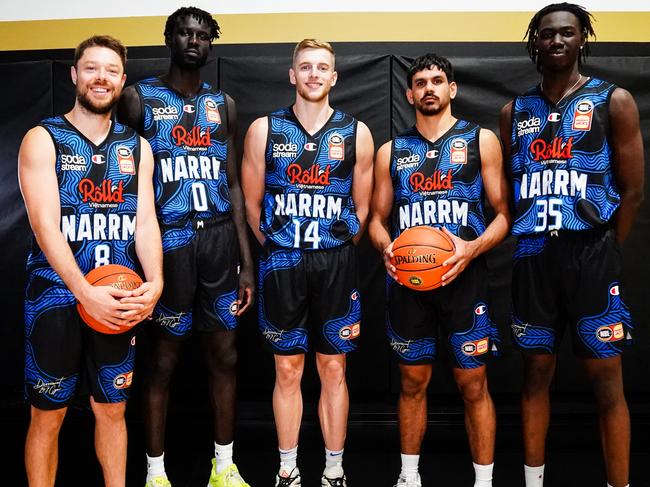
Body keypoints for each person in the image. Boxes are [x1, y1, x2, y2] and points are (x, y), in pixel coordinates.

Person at [499, 4, 644, 487]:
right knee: (535, 375)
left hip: (591, 255)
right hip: (533, 257)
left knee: (607, 382)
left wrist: (603, 245)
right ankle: (534, 481)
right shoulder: (514, 112)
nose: (557, 40)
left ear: (583, 39)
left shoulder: (612, 100)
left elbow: (632, 190)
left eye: (567, 33)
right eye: (547, 34)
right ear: (534, 42)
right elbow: (509, 185)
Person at [117, 7, 254, 487]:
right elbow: (125, 182)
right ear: (169, 38)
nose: (193, 40)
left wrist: (245, 263)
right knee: (161, 359)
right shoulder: (139, 99)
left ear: (211, 44)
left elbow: (233, 184)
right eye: (184, 32)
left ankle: (224, 465)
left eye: (202, 34)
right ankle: (155, 471)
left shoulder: (225, 104)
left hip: (217, 238)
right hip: (167, 239)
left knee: (226, 355)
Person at [19, 35, 163, 487]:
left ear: (122, 80)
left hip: (117, 296)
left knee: (113, 408)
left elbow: (145, 223)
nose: (101, 77)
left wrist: (156, 281)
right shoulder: (43, 139)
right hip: (56, 297)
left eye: (110, 70)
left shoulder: (137, 147)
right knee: (48, 414)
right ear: (75, 75)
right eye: (91, 68)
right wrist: (85, 292)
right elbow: (45, 228)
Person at [368, 53, 511, 487]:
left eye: (437, 80)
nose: (429, 88)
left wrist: (471, 249)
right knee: (412, 382)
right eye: (420, 83)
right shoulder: (391, 151)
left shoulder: (480, 140)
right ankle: (409, 477)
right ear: (409, 94)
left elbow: (505, 213)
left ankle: (483, 481)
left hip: (465, 280)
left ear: (452, 89)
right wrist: (387, 248)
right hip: (410, 283)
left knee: (474, 384)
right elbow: (375, 219)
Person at [241, 38, 374, 487]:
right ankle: (288, 468)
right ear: (292, 75)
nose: (314, 74)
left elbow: (361, 210)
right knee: (287, 367)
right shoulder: (264, 130)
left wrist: (328, 242)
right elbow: (253, 206)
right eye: (306, 67)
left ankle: (334, 469)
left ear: (334, 77)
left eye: (322, 67)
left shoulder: (356, 132)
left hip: (336, 262)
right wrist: (284, 244)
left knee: (333, 366)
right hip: (282, 262)